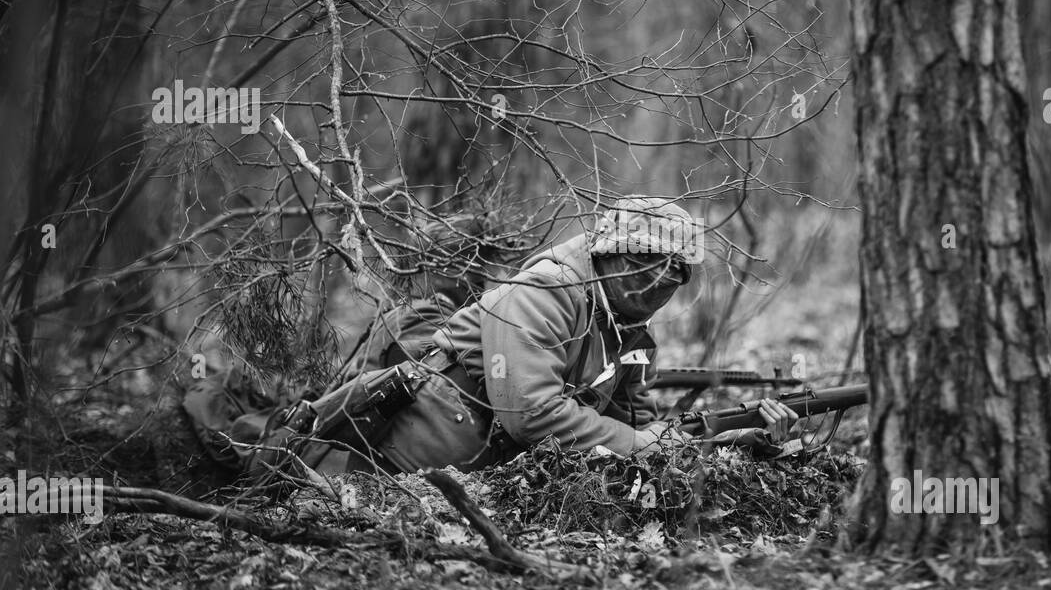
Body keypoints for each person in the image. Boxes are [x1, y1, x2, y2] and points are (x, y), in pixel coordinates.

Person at [244, 197, 799, 482]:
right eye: (645, 262)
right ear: (608, 252)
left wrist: (746, 435)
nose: (659, 281)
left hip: (462, 479)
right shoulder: (548, 290)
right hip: (376, 463)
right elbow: (530, 414)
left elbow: (638, 432)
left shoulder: (627, 328)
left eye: (675, 272)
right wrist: (646, 443)